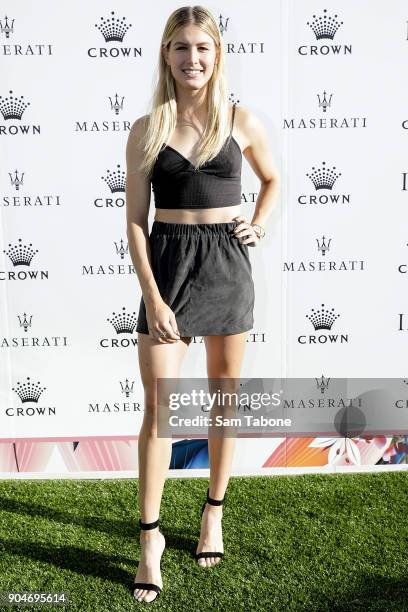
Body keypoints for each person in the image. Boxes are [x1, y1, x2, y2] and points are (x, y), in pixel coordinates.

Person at [125, 5, 279, 604]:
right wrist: (153, 296)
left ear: (217, 57)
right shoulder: (147, 128)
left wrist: (260, 223)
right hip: (168, 268)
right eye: (182, 48)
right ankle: (150, 539)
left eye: (204, 49)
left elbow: (274, 181)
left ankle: (213, 511)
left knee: (224, 400)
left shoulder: (242, 121)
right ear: (167, 54)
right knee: (160, 411)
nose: (193, 59)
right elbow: (136, 223)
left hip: (226, 267)